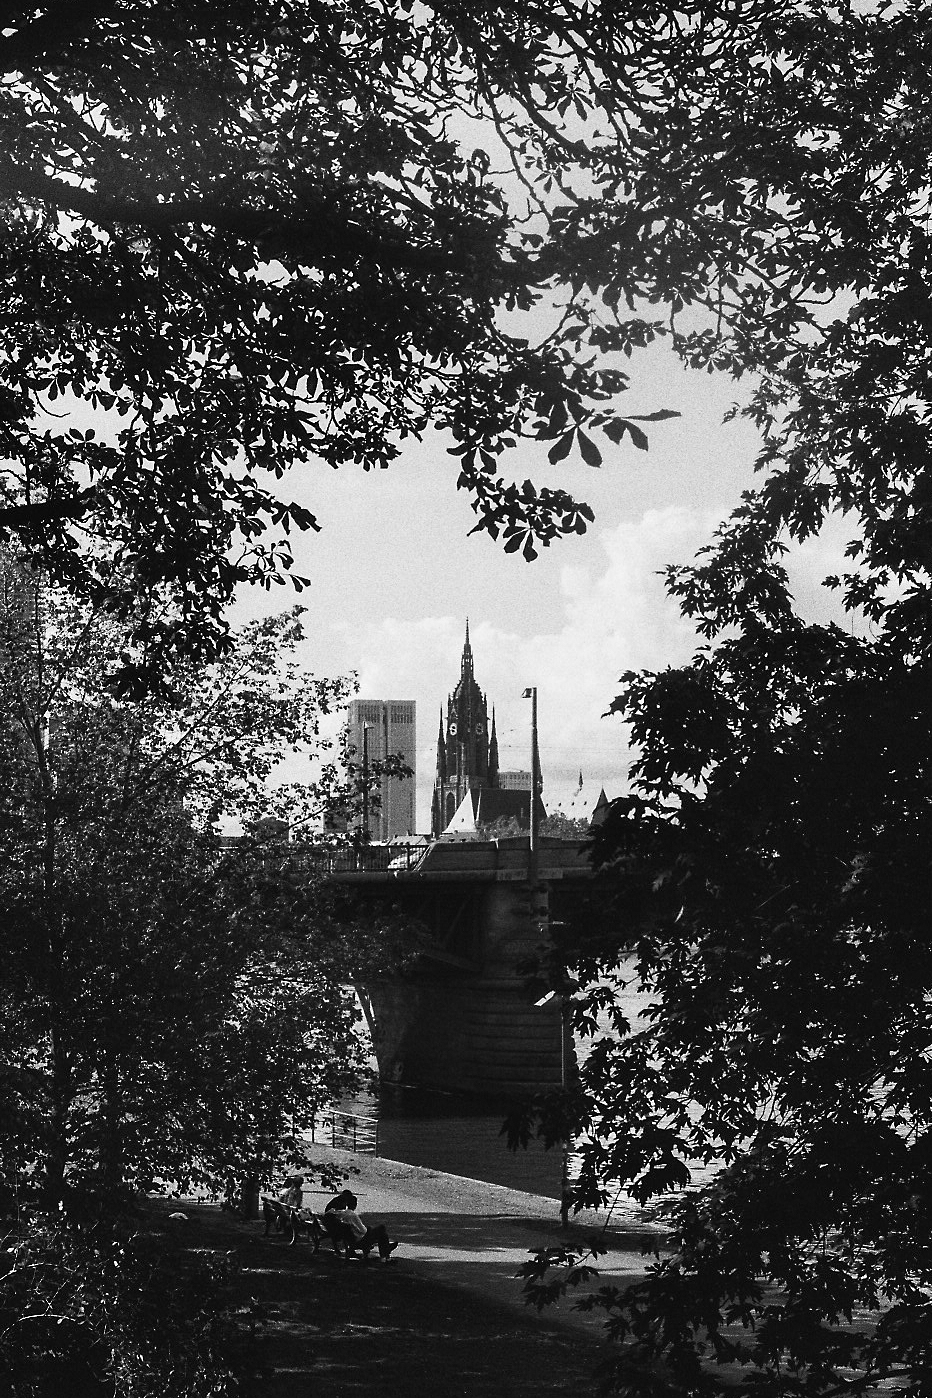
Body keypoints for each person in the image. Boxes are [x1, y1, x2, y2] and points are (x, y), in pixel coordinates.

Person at [325, 1188, 399, 1262]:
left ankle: (386, 1254)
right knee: (382, 1229)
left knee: (382, 1234)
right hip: (359, 1241)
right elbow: (363, 1231)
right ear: (354, 1205)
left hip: (349, 1239)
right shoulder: (351, 1215)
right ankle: (385, 1254)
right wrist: (369, 1229)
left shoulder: (337, 1214)